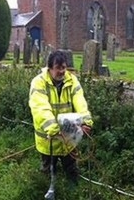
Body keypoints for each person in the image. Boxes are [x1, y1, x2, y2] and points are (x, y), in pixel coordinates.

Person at [29, 50, 93, 186]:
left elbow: (80, 101)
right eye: (58, 68)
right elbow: (40, 107)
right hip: (49, 139)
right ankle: (46, 191)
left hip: (68, 138)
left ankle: (73, 193)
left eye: (64, 67)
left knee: (71, 169)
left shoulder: (72, 80)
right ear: (50, 68)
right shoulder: (38, 83)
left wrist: (86, 121)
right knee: (48, 171)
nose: (62, 71)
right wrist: (53, 128)